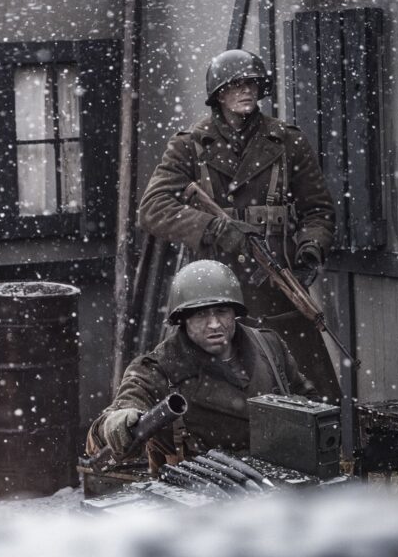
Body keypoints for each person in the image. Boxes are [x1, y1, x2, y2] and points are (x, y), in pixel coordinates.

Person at [137, 48, 339, 402]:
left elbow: (318, 210)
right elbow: (153, 208)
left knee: (312, 391)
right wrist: (215, 229)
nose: (246, 90)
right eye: (236, 84)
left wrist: (310, 251)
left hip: (277, 283)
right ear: (218, 94)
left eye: (252, 84)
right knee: (204, 388)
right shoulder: (190, 146)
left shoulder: (287, 141)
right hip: (212, 287)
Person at [87, 260, 317, 472]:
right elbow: (106, 431)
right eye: (201, 315)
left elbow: (308, 402)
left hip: (281, 480)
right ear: (184, 320)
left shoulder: (268, 345)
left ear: (234, 313)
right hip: (198, 494)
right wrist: (116, 422)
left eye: (221, 312)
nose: (214, 324)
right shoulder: (158, 368)